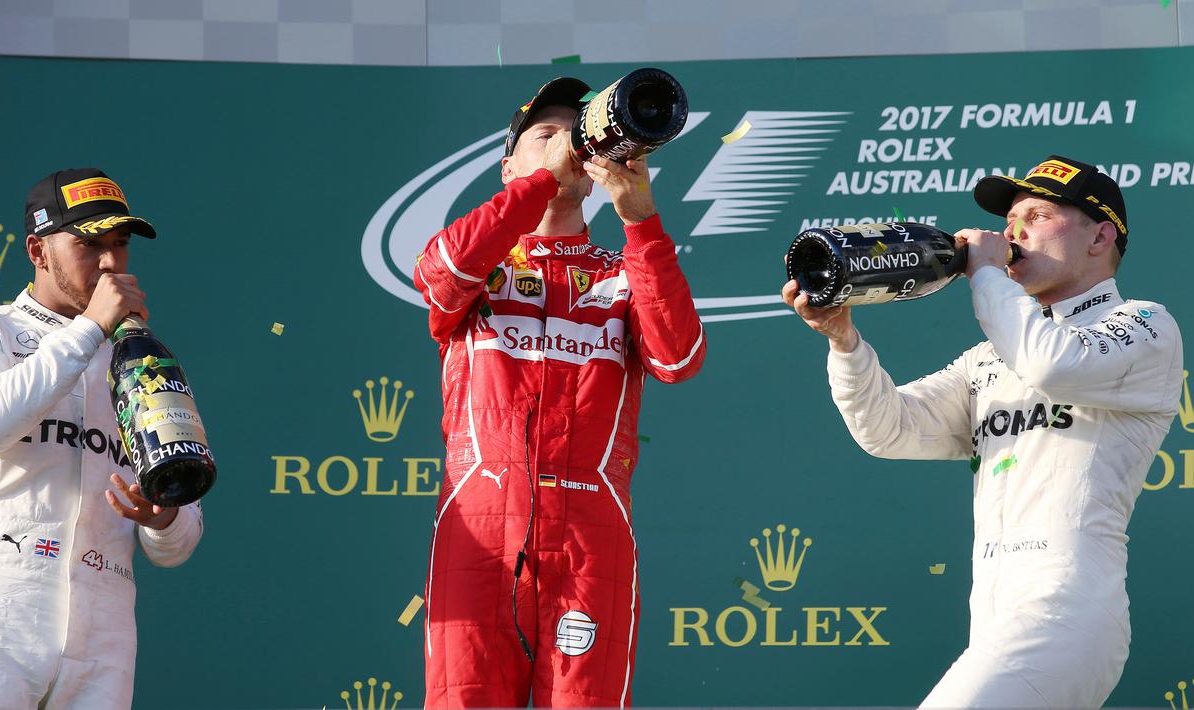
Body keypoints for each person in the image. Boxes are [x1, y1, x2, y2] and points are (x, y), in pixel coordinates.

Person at [783, 155, 1183, 708]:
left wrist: (989, 273)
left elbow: (1052, 364)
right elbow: (888, 428)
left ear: (1100, 236)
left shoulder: (1144, 326)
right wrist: (843, 341)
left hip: (1068, 611)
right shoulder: (990, 358)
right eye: (1011, 217)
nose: (1014, 231)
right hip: (994, 617)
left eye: (1038, 214)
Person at [413, 77, 705, 707]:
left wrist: (642, 220)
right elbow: (439, 276)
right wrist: (540, 183)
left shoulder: (622, 271)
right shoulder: (479, 264)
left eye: (575, 132)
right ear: (507, 164)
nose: (565, 143)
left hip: (588, 540)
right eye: (545, 133)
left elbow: (678, 358)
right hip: (480, 535)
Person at [0, 168, 204, 709]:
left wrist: (160, 514)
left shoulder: (140, 363)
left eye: (119, 245)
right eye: (88, 244)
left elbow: (180, 541)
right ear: (37, 250)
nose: (110, 263)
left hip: (105, 627)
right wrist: (90, 329)